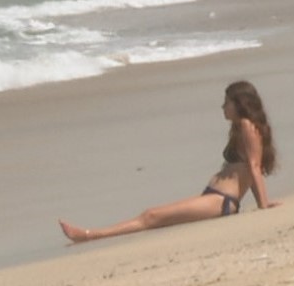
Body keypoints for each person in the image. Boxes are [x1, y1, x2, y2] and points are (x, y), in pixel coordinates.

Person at [59, 80, 278, 243]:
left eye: (227, 103)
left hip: (221, 201)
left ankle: (89, 235)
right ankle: (90, 234)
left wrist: (263, 205)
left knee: (151, 216)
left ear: (239, 104)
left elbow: (254, 166)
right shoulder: (240, 129)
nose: (223, 107)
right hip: (216, 199)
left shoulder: (249, 127)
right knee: (154, 217)